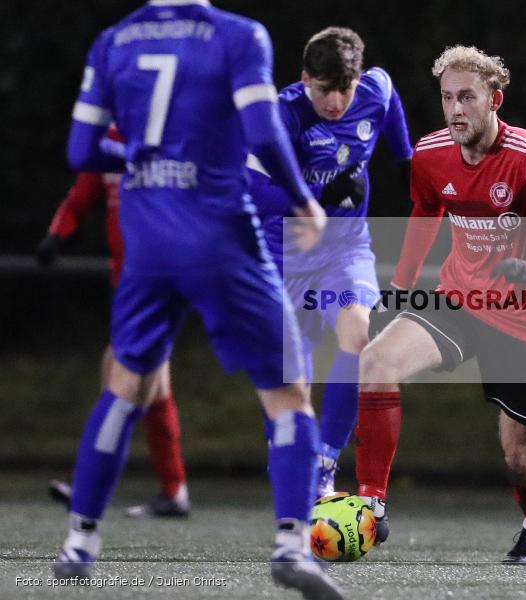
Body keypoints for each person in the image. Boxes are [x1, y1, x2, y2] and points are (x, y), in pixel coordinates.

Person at [52, 2, 343, 597]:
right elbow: (261, 130)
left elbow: (82, 152)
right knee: (289, 389)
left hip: (146, 238)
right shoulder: (238, 35)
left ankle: (80, 542)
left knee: (125, 384)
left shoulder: (114, 39)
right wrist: (304, 201)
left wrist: (132, 158)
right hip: (219, 234)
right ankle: (291, 543)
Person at [352, 45, 526, 564]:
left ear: (494, 99)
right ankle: (371, 504)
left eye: (467, 97)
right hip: (461, 299)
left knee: (519, 456)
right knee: (375, 361)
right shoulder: (430, 153)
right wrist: (400, 285)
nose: (455, 110)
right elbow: (425, 210)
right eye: (447, 98)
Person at [247, 27, 413, 498]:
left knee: (359, 339)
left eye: (346, 88)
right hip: (283, 255)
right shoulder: (282, 115)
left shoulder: (373, 89)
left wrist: (405, 159)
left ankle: (325, 460)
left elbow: (390, 97)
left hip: (344, 247)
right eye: (324, 90)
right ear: (305, 80)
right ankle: (295, 479)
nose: (336, 102)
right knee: (288, 387)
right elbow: (255, 193)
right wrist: (320, 195)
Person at [38, 130, 191, 518]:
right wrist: (57, 235)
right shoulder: (109, 142)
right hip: (127, 283)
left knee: (120, 372)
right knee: (153, 386)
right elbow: (83, 193)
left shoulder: (168, 135)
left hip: (160, 278)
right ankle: (173, 491)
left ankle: (89, 487)